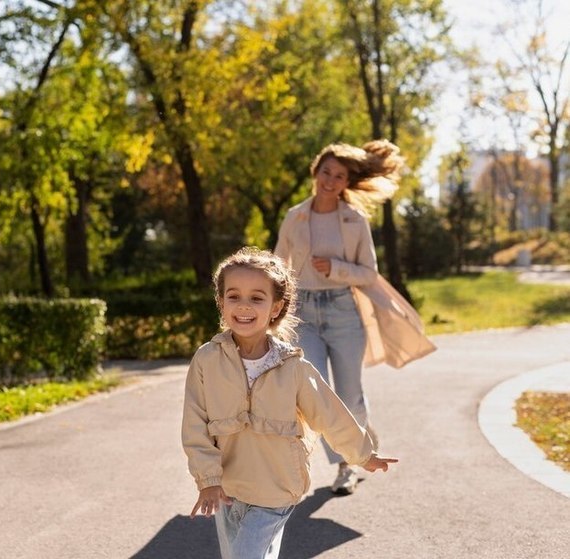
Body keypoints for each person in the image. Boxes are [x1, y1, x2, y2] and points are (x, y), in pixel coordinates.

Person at [182, 247, 397, 559]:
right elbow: (194, 424)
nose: (244, 306)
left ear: (276, 306)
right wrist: (208, 480)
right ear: (221, 301)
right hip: (227, 486)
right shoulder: (206, 360)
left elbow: (329, 413)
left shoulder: (293, 367)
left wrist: (362, 455)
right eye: (234, 296)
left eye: (256, 298)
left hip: (277, 486)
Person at [274, 139, 431, 496]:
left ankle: (350, 465)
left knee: (348, 394)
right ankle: (346, 451)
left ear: (346, 183)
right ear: (316, 172)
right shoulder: (294, 216)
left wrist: (336, 268)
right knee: (316, 392)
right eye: (326, 172)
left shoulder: (354, 219)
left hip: (343, 312)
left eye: (339, 175)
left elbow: (368, 273)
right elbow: (278, 266)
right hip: (304, 314)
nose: (330, 180)